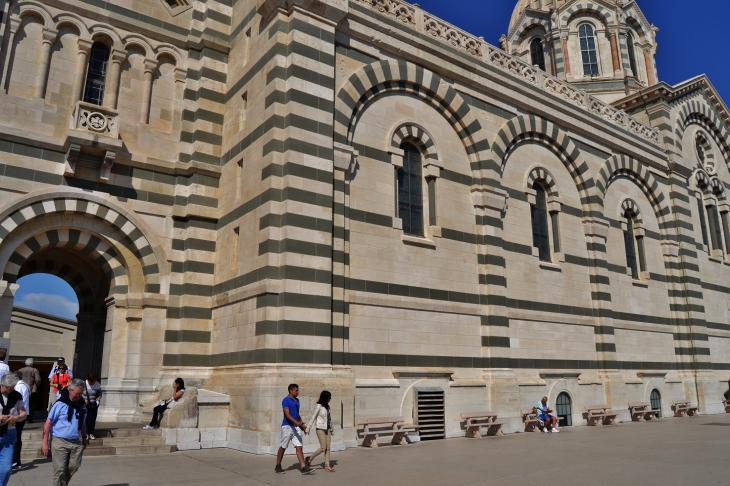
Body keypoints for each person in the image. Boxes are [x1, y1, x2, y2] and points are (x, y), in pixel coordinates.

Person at [42, 379, 88, 486]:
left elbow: (84, 423)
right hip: (60, 441)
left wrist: (84, 437)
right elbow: (48, 422)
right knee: (60, 470)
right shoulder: (60, 404)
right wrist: (45, 442)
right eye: (77, 393)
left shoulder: (82, 406)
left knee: (74, 466)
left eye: (81, 394)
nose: (79, 396)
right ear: (70, 391)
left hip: (76, 441)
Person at [275, 384, 313, 475]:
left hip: (296, 427)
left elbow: (297, 414)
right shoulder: (285, 400)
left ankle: (303, 467)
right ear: (291, 391)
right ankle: (278, 465)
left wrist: (302, 425)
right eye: (296, 390)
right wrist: (295, 422)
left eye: (298, 390)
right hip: (287, 427)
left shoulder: (297, 401)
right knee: (283, 446)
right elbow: (287, 414)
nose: (297, 392)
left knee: (299, 446)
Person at [0, 373, 27, 486]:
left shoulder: (16, 395)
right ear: (1, 384)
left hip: (10, 434)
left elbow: (24, 413)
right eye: (7, 388)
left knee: (6, 470)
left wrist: (16, 418)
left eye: (11, 388)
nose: (9, 391)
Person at [305, 390, 335, 472]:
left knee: (328, 448)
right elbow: (313, 417)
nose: (330, 399)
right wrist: (308, 429)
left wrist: (332, 429)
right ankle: (310, 459)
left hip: (327, 428)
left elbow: (329, 419)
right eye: (329, 397)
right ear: (325, 398)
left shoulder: (328, 407)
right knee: (323, 448)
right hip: (320, 428)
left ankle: (327, 465)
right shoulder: (319, 406)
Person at [12, 372, 29, 470]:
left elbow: (17, 403)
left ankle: (16, 461)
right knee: (17, 437)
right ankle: (17, 461)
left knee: (16, 438)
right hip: (22, 415)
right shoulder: (25, 385)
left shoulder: (18, 388)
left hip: (19, 416)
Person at [18, 358, 40, 423]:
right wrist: (36, 386)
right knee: (31, 404)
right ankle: (29, 418)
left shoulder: (20, 370)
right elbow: (38, 380)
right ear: (32, 363)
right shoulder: (35, 370)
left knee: (21, 403)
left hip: (21, 389)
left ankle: (21, 416)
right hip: (31, 389)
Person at [81, 373, 101, 440]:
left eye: (94, 381)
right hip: (85, 404)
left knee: (92, 419)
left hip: (93, 403)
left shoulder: (97, 384)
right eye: (91, 382)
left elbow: (99, 392)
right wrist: (83, 399)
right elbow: (79, 393)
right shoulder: (83, 384)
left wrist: (99, 397)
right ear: (88, 380)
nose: (92, 383)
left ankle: (91, 433)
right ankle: (86, 433)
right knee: (86, 419)